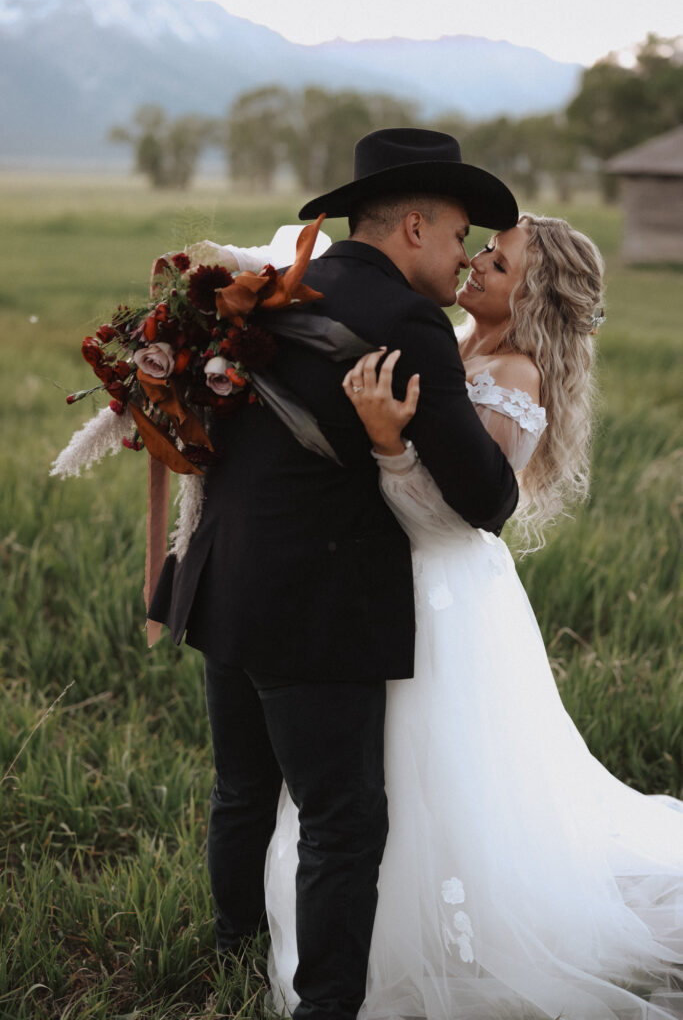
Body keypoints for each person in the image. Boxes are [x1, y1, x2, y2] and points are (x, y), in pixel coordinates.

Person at [263, 214, 683, 1019]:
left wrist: (387, 445)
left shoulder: (515, 375)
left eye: (500, 259)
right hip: (393, 581)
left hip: (443, 590)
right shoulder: (454, 342)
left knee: (433, 766)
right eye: (483, 249)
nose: (479, 262)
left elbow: (457, 516)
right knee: (374, 763)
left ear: (535, 292)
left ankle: (444, 937)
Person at [147, 128, 521, 1020]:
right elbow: (485, 496)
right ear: (418, 226)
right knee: (343, 824)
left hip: (221, 582)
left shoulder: (264, 290)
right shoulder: (406, 324)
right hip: (316, 608)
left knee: (241, 786)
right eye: (463, 232)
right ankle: (324, 1008)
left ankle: (234, 949)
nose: (465, 254)